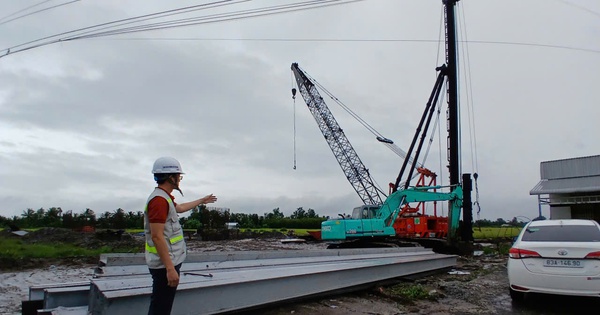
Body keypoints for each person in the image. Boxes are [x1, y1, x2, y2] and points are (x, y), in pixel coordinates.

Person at [144, 156, 217, 315]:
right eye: (178, 176)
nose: (179, 179)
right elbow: (157, 236)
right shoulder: (159, 201)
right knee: (160, 308)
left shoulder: (164, 198)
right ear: (171, 177)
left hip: (168, 261)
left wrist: (201, 200)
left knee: (162, 305)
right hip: (165, 264)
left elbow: (181, 207)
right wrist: (170, 269)